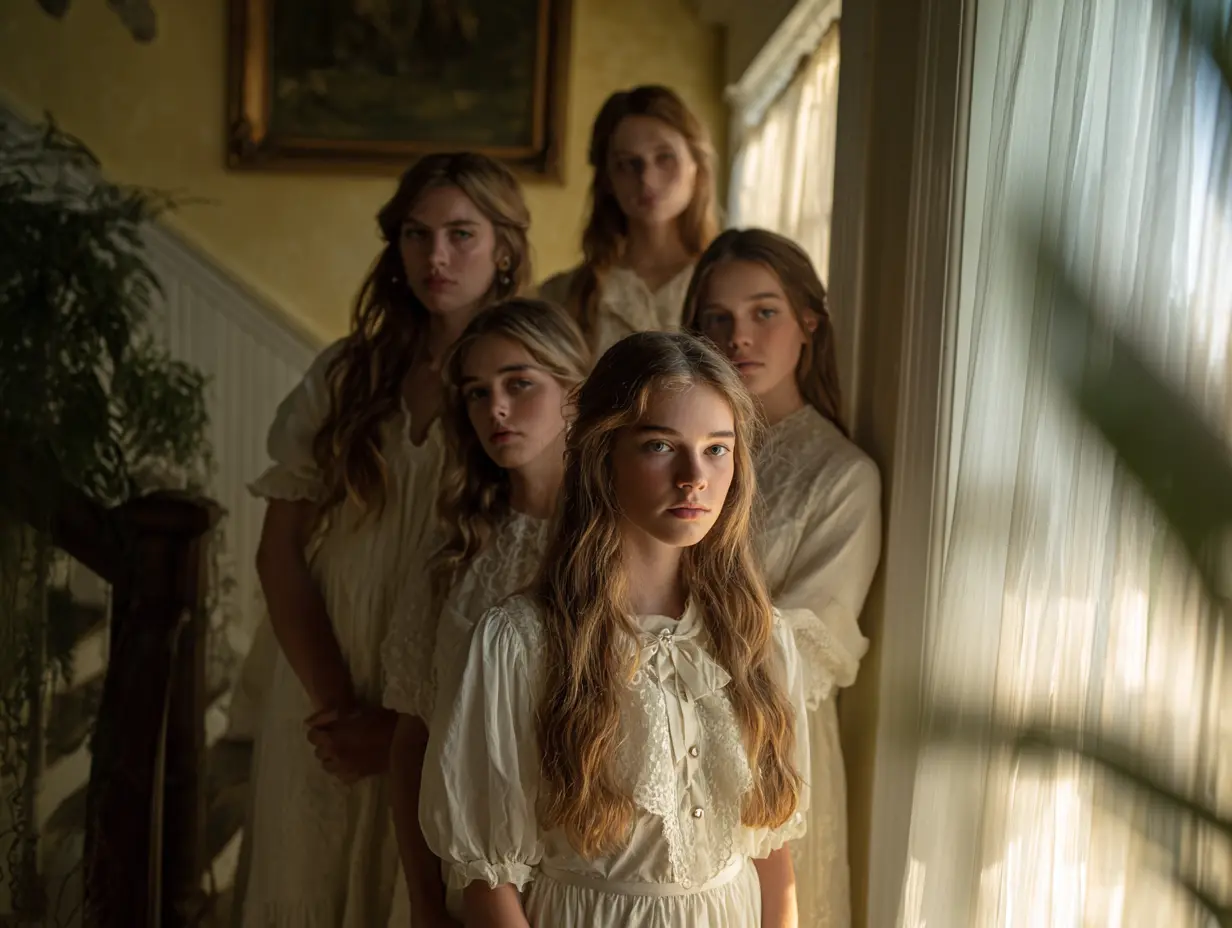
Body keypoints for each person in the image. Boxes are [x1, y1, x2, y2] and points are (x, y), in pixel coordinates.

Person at [420, 331, 811, 927]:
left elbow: (771, 852)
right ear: (604, 455)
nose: (693, 478)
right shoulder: (520, 644)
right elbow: (489, 881)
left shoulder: (759, 636)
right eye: (660, 445)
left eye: (716, 449)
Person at [241, 152, 531, 928]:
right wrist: (337, 708)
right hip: (321, 678)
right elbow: (279, 553)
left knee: (410, 887)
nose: (436, 257)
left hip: (444, 691)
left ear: (504, 247)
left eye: (461, 234)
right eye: (416, 234)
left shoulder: (527, 381)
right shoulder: (345, 375)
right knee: (309, 872)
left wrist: (403, 731)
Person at [684, 228, 883, 928]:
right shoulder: (677, 450)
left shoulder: (842, 477)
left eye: (763, 311)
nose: (740, 336)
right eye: (718, 318)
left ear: (808, 321)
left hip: (771, 743)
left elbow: (808, 646)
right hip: (650, 732)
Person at [382, 298, 590, 925]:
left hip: (578, 878)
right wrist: (422, 898)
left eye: (519, 384)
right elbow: (414, 740)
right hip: (461, 874)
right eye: (476, 393)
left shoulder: (610, 542)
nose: (494, 408)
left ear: (574, 392)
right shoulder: (455, 546)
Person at [539, 85, 719, 354]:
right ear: (608, 179)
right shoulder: (566, 296)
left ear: (695, 165)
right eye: (627, 163)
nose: (647, 179)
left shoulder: (722, 284)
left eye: (665, 158)